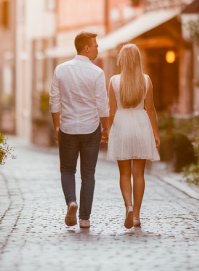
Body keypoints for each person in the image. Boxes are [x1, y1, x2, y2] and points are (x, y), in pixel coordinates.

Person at [49, 32, 110, 229]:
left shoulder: (60, 69)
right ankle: (84, 218)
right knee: (88, 174)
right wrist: (106, 127)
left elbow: (54, 102)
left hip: (67, 127)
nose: (97, 48)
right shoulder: (97, 72)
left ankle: (71, 202)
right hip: (91, 128)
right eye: (95, 45)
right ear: (86, 48)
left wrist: (57, 126)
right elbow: (102, 105)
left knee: (67, 169)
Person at [106, 44, 160, 228]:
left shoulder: (114, 81)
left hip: (122, 125)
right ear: (138, 60)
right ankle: (136, 214)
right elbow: (150, 109)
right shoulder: (146, 80)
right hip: (141, 125)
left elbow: (111, 111)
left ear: (121, 59)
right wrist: (155, 133)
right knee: (139, 174)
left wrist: (107, 130)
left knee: (124, 173)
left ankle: (128, 206)